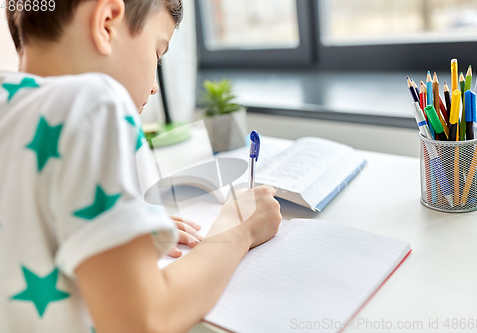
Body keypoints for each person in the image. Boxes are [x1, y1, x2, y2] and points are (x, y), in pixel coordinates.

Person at [0, 1, 282, 332]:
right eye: (157, 53)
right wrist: (237, 229)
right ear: (106, 23)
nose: (154, 86)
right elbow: (144, 320)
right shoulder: (95, 105)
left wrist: (120, 225)